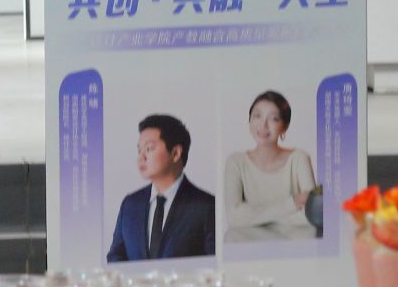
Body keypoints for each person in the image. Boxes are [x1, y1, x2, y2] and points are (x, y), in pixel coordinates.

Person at [106, 114, 216, 262]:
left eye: (149, 148)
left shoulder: (206, 206)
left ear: (175, 153)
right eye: (139, 150)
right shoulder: (130, 204)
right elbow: (115, 257)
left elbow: (213, 265)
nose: (141, 157)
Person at [223, 89, 319, 243]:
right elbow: (233, 217)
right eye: (257, 116)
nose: (263, 125)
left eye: (273, 119)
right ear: (249, 121)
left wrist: (253, 216)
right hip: (249, 251)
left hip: (295, 249)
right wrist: (293, 203)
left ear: (284, 126)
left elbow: (313, 215)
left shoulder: (299, 158)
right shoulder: (235, 162)